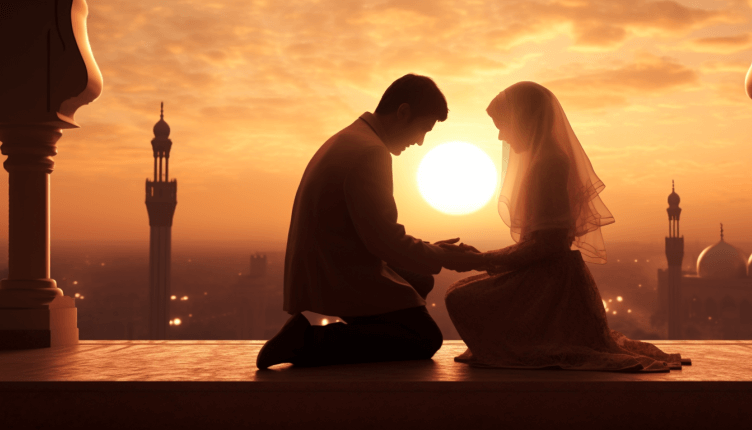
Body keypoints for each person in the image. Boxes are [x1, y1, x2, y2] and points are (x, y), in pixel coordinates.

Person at [443, 81, 689, 372]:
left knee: (460, 298)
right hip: (546, 271)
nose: (501, 136)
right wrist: (482, 258)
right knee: (460, 291)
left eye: (503, 126)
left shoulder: (548, 164)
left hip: (552, 279)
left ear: (524, 120)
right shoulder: (545, 160)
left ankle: (528, 344)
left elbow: (550, 243)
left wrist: (482, 259)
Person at [257, 74, 484, 369]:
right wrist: (444, 256)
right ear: (403, 112)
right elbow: (385, 242)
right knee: (424, 337)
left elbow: (377, 232)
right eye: (422, 129)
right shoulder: (370, 152)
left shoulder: (354, 138)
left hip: (328, 261)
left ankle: (373, 330)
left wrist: (434, 251)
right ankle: (307, 340)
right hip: (336, 269)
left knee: (420, 278)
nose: (419, 141)